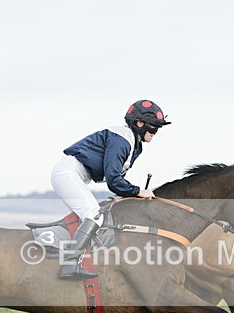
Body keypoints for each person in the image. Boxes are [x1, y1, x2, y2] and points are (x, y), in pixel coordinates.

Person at [50, 99, 171, 278]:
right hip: (68, 173)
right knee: (94, 215)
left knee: (94, 216)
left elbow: (117, 179)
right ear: (139, 123)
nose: (155, 133)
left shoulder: (133, 143)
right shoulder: (122, 140)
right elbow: (113, 180)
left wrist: (132, 194)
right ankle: (69, 265)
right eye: (153, 127)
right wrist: (138, 191)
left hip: (75, 175)